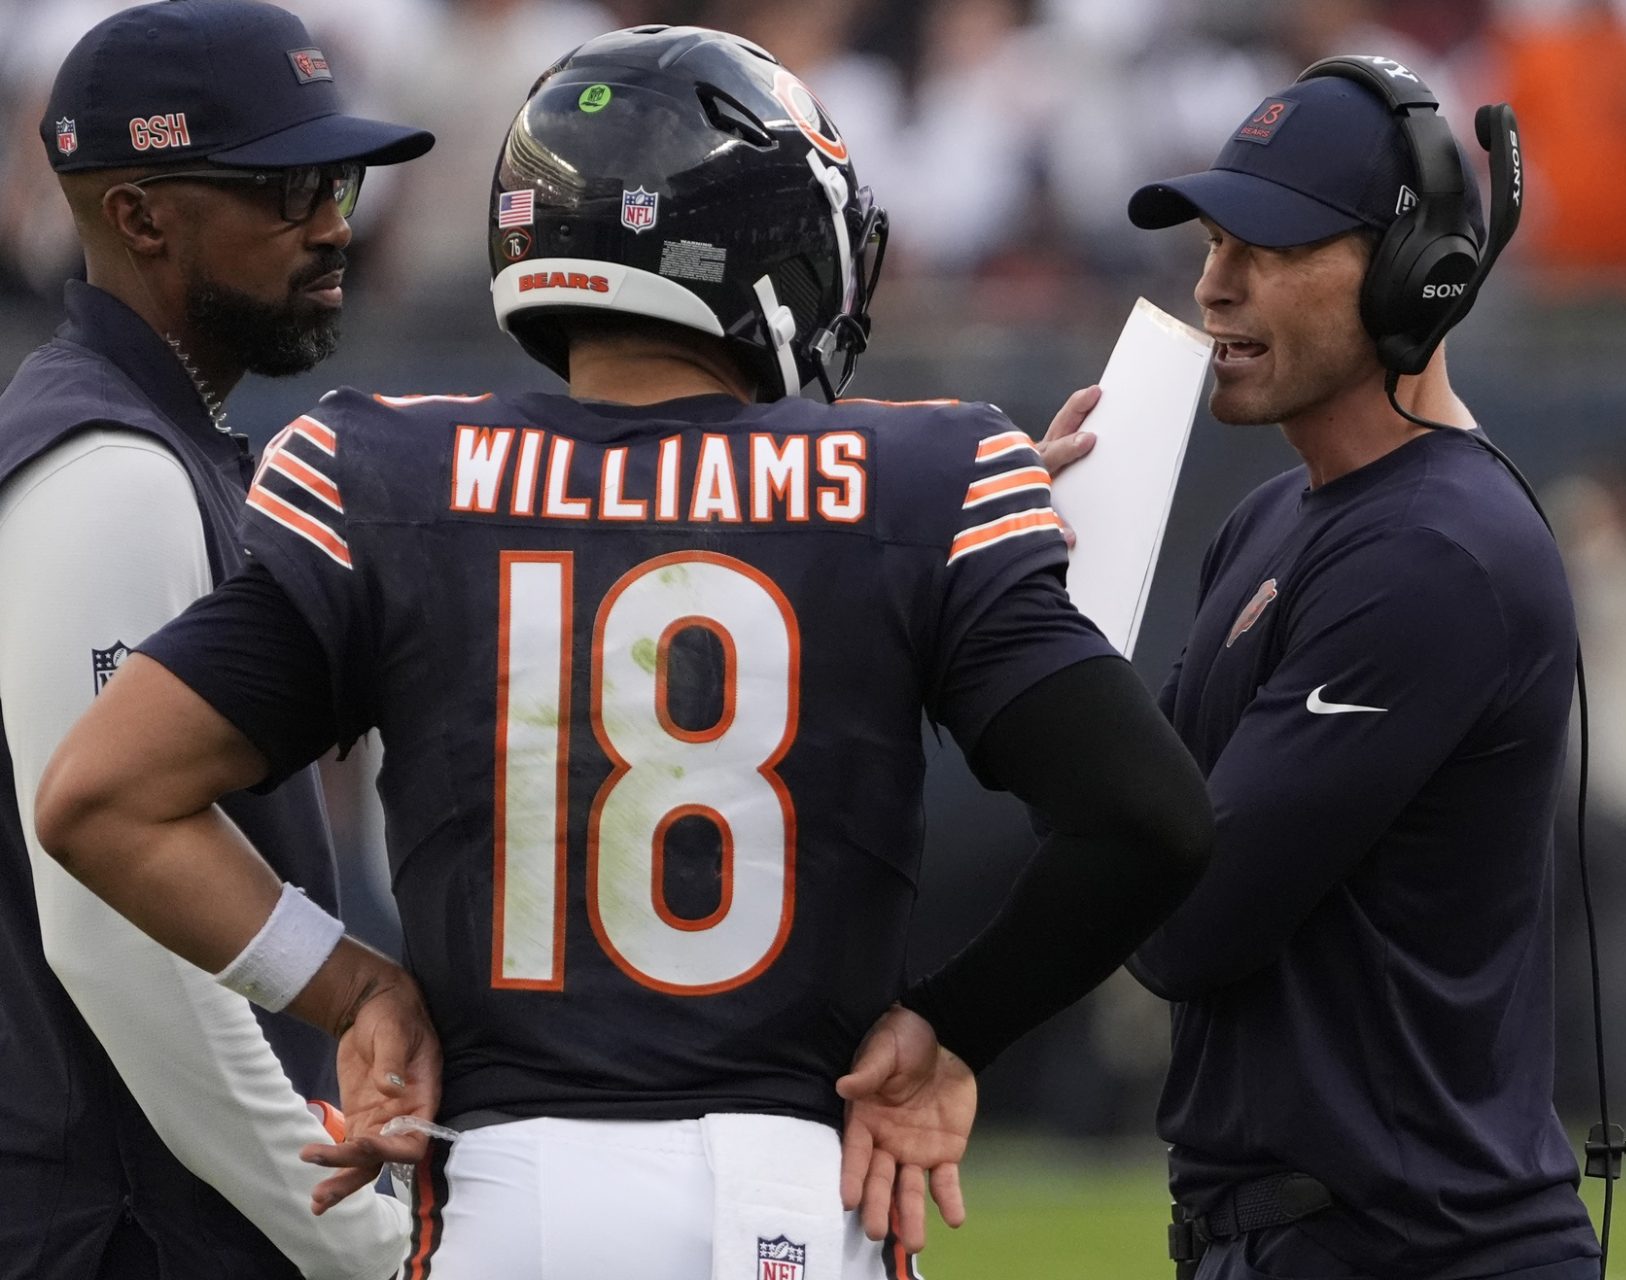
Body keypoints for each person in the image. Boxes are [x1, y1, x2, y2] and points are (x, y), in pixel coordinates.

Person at [34, 26, 1213, 1279]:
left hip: (509, 1196)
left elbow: (101, 794)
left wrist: (351, 989)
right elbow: (1152, 817)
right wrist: (949, 1029)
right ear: (771, 243)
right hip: (796, 1193)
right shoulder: (922, 477)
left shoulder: (385, 473)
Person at [1111, 59, 1603, 1279]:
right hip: (1304, 1238)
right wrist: (1042, 584)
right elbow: (1124, 825)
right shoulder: (1275, 518)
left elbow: (1180, 917)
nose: (1214, 286)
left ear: (1414, 272)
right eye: (1214, 244)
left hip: (1417, 1247)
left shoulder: (1434, 553)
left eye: (1266, 250)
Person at [0, 4, 434, 1278]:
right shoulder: (111, 467)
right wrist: (357, 1234)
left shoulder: (143, 438)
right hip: (126, 1226)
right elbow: (114, 932)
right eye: (288, 186)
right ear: (140, 216)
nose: (334, 221)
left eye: (339, 180)